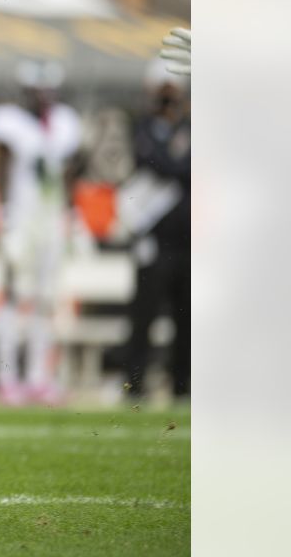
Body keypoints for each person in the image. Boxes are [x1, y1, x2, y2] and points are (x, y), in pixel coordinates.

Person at [0, 61, 83, 406]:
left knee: (45, 298)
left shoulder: (64, 122)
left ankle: (38, 376)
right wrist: (4, 214)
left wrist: (71, 213)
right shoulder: (9, 121)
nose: (43, 96)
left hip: (50, 218)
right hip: (21, 218)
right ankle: (5, 376)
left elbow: (69, 172)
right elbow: (0, 166)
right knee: (14, 295)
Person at [121, 38, 190, 400]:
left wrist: (176, 164)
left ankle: (183, 386)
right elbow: (159, 164)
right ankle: (136, 385)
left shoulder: (188, 127)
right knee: (143, 316)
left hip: (186, 240)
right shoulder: (143, 127)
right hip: (154, 240)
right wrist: (177, 163)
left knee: (186, 319)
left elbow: (191, 170)